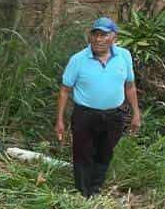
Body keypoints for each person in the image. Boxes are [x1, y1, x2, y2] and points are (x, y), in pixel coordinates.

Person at [55, 17, 142, 196]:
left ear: (114, 38)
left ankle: (95, 189)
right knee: (82, 154)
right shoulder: (78, 60)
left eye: (104, 35)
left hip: (114, 115)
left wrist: (136, 114)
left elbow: (130, 86)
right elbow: (64, 91)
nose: (98, 39)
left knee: (105, 152)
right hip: (84, 115)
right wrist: (60, 121)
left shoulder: (124, 56)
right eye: (95, 34)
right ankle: (83, 193)